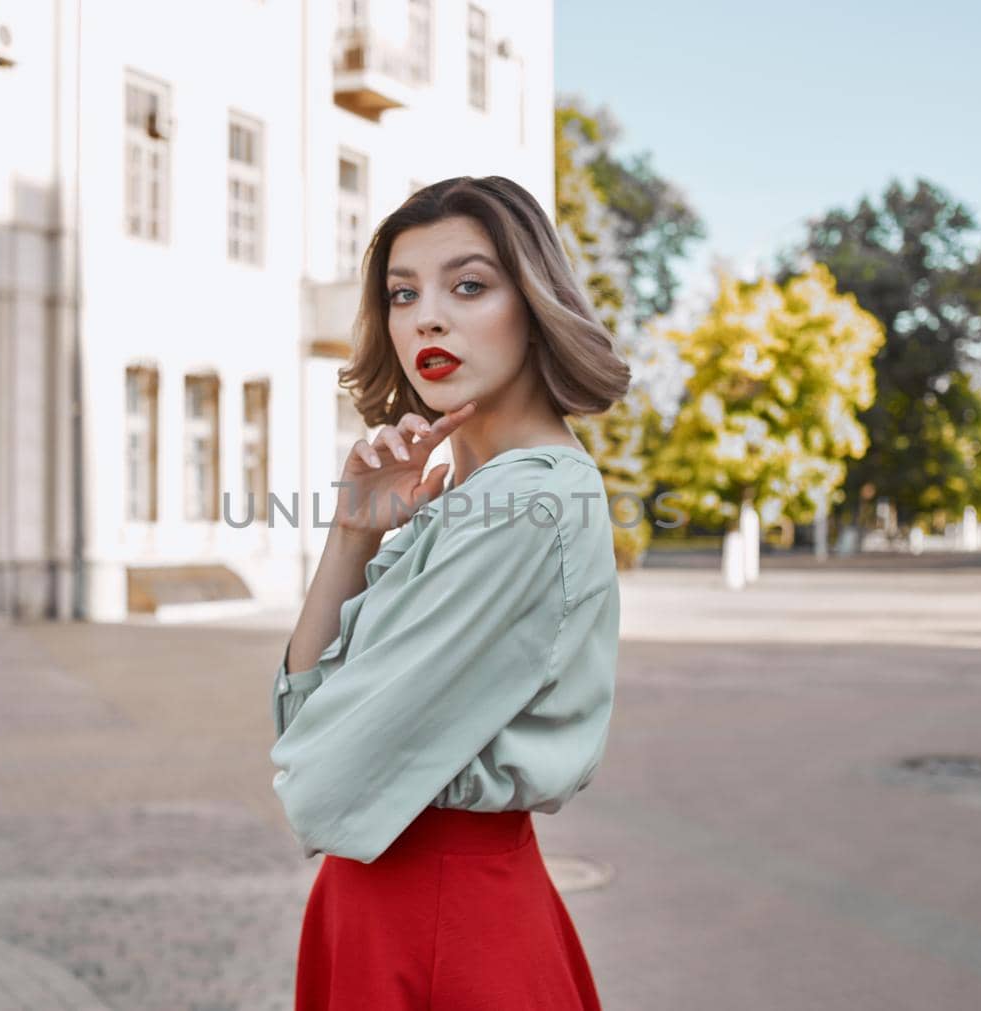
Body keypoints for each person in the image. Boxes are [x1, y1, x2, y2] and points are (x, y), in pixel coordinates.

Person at [268, 175, 630, 1009]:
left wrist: (321, 742)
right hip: (389, 905)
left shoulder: (528, 504)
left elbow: (319, 787)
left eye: (468, 285)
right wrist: (354, 532)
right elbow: (300, 724)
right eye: (403, 293)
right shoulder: (469, 497)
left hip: (440, 919)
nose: (426, 316)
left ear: (533, 304)